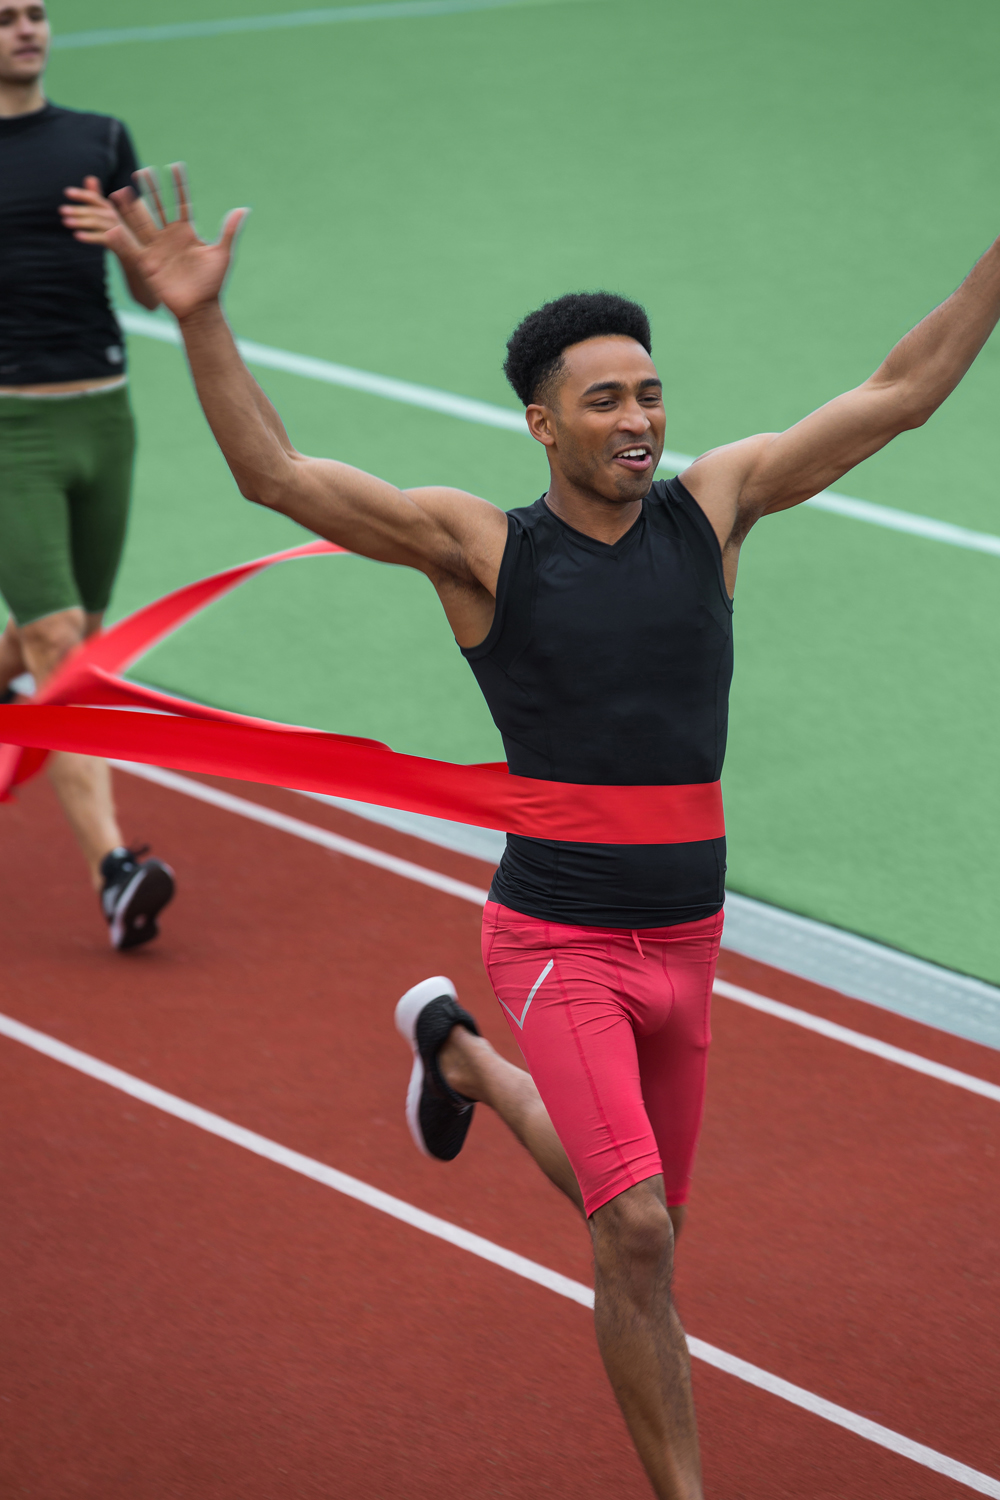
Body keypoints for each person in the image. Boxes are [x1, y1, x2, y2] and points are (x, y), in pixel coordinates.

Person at [107, 165, 1000, 1497]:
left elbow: (903, 389)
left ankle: (461, 1060)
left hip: (688, 943)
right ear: (541, 424)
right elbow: (275, 477)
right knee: (632, 1232)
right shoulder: (484, 550)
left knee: (653, 1230)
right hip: (558, 938)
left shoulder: (717, 507)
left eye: (650, 393)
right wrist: (198, 317)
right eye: (605, 401)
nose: (639, 421)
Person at [0, 1, 175, 951]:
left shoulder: (101, 138)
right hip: (9, 431)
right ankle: (114, 872)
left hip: (105, 417)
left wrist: (128, 245)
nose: (27, 29)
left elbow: (152, 288)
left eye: (36, 13)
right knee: (61, 645)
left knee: (77, 637)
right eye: (6, 18)